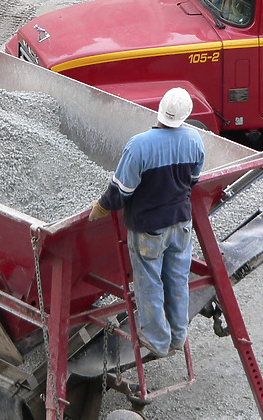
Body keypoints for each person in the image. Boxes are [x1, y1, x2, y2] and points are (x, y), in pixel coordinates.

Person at [89, 87, 206, 359]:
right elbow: (193, 180)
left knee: (149, 282)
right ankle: (178, 336)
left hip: (149, 228)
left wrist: (102, 207)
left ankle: (157, 340)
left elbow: (122, 191)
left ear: (160, 109)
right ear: (186, 115)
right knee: (177, 278)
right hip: (182, 224)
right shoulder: (195, 140)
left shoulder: (139, 145)